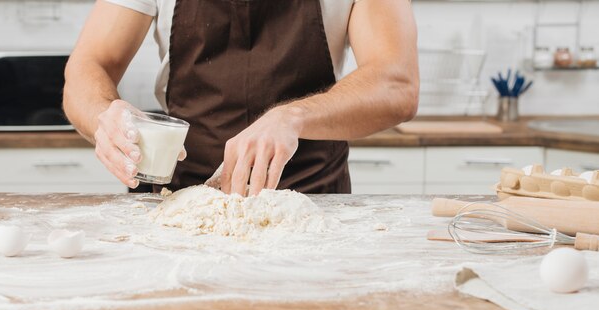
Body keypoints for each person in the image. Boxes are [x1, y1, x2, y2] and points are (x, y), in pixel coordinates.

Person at [63, 0, 419, 196]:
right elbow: (89, 66)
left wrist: (291, 117)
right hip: (184, 200)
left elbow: (397, 84)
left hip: (312, 203)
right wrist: (103, 116)